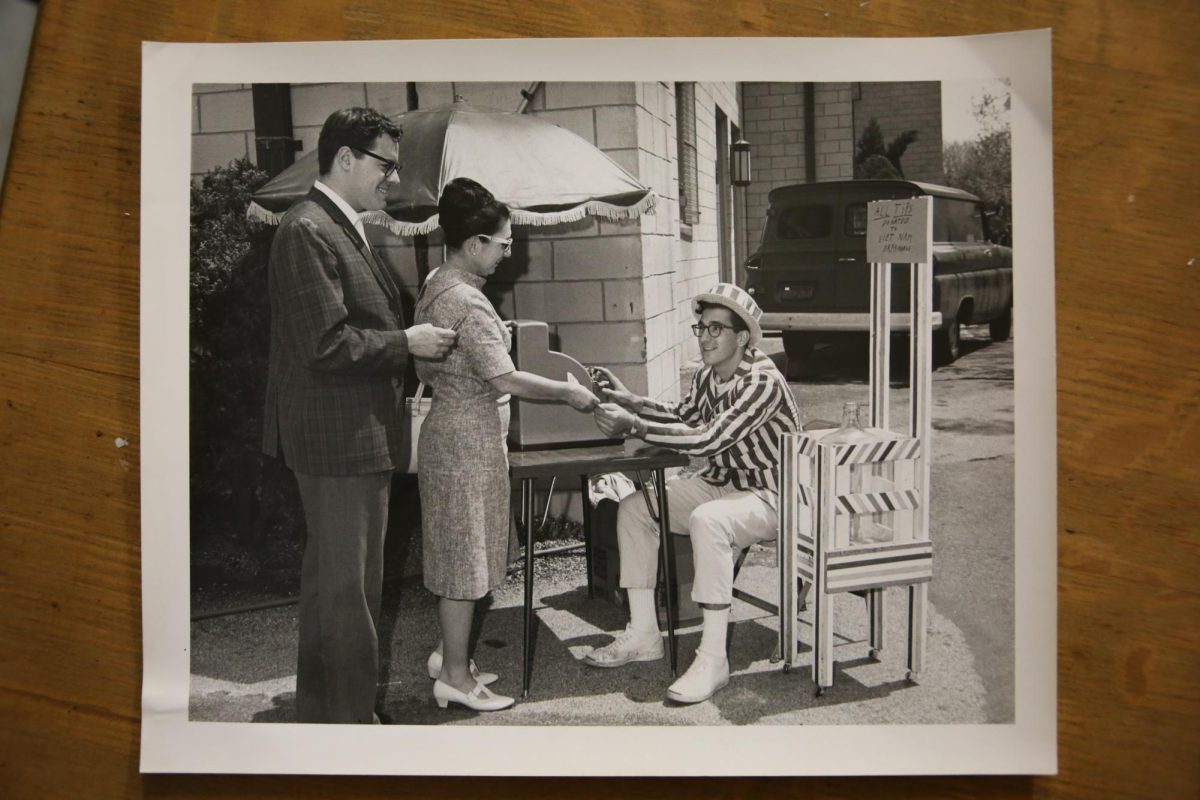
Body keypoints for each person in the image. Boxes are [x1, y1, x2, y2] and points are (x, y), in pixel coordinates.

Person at [261, 107, 458, 724]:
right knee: (351, 594)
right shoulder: (308, 230)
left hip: (349, 436)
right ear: (345, 158)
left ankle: (325, 717)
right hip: (337, 440)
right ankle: (351, 729)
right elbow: (327, 345)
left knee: (334, 588)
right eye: (385, 166)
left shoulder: (337, 227)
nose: (391, 181)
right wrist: (409, 342)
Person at [414, 177, 598, 712]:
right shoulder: (468, 302)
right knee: (466, 562)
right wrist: (569, 391)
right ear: (475, 244)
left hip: (451, 430)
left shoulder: (436, 282)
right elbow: (507, 379)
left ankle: (449, 656)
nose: (507, 253)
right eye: (503, 243)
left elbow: (459, 355)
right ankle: (454, 677)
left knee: (459, 552)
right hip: (468, 440)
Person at [586, 283, 801, 704]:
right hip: (723, 484)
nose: (704, 337)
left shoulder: (762, 381)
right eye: (700, 327)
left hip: (775, 497)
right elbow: (682, 415)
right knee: (634, 508)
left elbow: (705, 438)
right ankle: (645, 634)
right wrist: (630, 399)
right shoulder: (708, 376)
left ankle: (713, 659)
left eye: (715, 329)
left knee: (709, 520)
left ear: (742, 338)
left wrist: (633, 424)